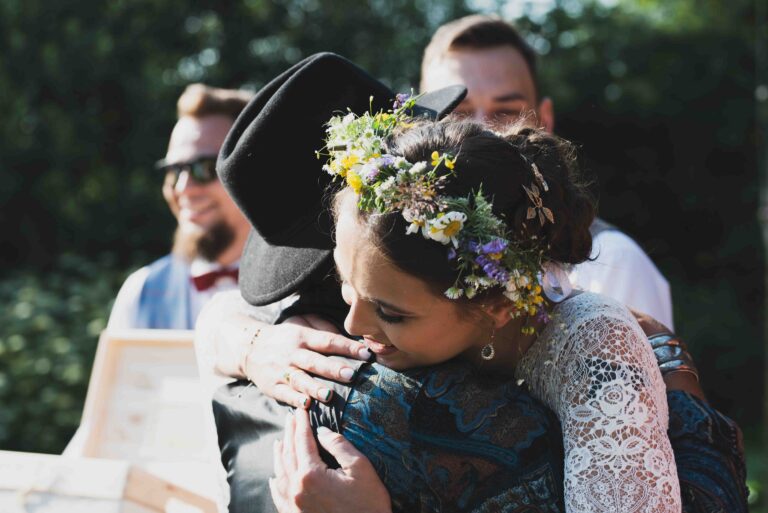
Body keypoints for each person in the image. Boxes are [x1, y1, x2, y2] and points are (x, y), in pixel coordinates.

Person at [203, 53, 747, 512]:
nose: (351, 324)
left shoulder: (593, 351)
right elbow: (215, 319)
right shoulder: (354, 332)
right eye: (342, 283)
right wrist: (248, 341)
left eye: (390, 310)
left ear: (493, 305)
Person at [420, 14, 674, 328]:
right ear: (419, 123)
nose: (481, 131)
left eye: (505, 112)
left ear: (545, 120)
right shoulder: (390, 252)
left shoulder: (614, 264)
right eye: (457, 112)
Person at [106, 84, 253, 330]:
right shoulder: (141, 293)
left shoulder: (303, 292)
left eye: (205, 168)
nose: (183, 188)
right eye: (174, 171)